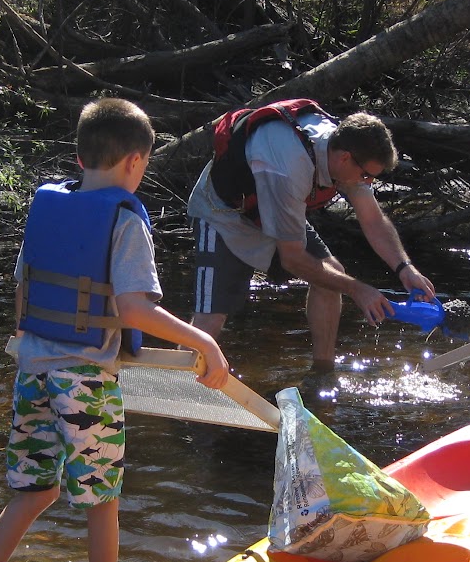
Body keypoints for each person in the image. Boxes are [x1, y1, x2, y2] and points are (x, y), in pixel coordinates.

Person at [0, 98, 231, 562]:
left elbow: (23, 290)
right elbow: (133, 309)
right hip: (84, 380)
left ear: (81, 159)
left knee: (34, 489)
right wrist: (204, 344)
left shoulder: (49, 209)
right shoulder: (124, 218)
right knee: (103, 500)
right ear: (135, 162)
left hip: (31, 370)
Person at [187, 100, 436, 368]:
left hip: (276, 209)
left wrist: (404, 268)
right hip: (224, 216)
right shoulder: (290, 165)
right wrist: (357, 289)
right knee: (211, 318)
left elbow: (373, 219)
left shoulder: (347, 154)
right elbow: (291, 260)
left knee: (331, 272)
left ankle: (322, 371)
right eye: (366, 176)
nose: (368, 183)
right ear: (344, 158)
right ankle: (178, 387)